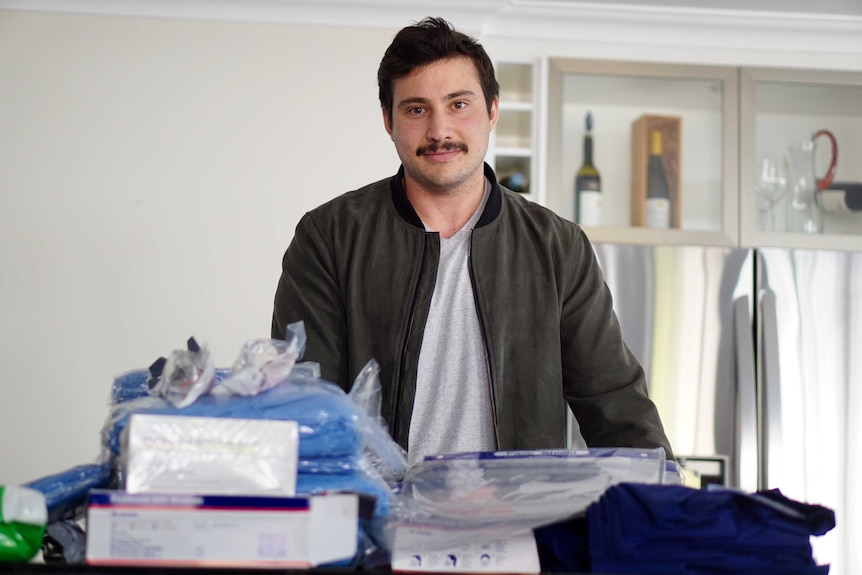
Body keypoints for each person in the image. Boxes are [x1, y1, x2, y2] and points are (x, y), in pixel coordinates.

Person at [271, 16, 673, 463]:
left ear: (492, 110)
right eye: (416, 109)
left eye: (458, 104)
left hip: (520, 520)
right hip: (377, 520)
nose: (440, 130)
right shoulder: (329, 237)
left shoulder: (558, 246)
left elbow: (614, 403)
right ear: (389, 120)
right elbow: (307, 403)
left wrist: (668, 508)